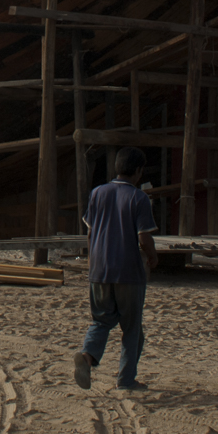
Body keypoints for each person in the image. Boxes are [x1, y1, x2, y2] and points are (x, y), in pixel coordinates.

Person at [74, 146, 158, 391]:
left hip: (99, 270)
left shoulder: (97, 193)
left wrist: (93, 262)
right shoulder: (139, 198)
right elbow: (144, 238)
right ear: (139, 171)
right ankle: (126, 378)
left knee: (101, 320)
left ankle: (88, 356)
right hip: (128, 272)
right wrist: (152, 258)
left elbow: (90, 233)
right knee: (132, 329)